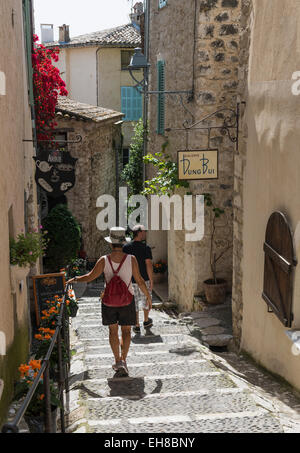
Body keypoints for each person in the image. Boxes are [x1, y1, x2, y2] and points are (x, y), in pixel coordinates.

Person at [66, 227, 152, 377]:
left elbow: (90, 277)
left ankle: (117, 359)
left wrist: (75, 279)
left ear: (111, 244)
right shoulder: (131, 259)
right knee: (126, 331)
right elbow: (139, 280)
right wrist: (147, 297)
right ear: (123, 243)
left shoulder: (104, 260)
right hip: (127, 299)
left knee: (113, 331)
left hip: (109, 301)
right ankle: (124, 360)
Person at [123, 224, 153, 334]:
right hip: (144, 280)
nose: (145, 233)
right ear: (139, 233)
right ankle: (146, 320)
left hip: (130, 280)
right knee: (146, 300)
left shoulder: (126, 248)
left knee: (134, 302)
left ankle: (136, 324)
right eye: (144, 231)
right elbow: (148, 264)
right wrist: (151, 280)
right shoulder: (146, 248)